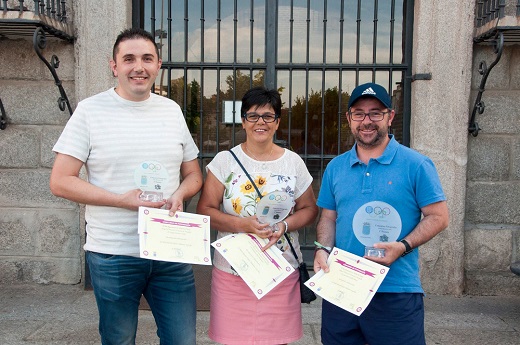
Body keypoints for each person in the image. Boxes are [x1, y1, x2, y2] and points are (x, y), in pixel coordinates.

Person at [49, 28, 202, 345]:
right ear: (114, 66)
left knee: (183, 339)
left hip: (170, 250)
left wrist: (179, 194)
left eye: (147, 58)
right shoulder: (90, 111)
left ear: (158, 64)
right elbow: (60, 181)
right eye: (129, 58)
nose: (139, 67)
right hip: (114, 254)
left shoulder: (171, 111)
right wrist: (121, 200)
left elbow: (194, 175)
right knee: (119, 340)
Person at [314, 82, 449, 345]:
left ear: (390, 116)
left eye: (376, 112)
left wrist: (403, 246)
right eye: (359, 113)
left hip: (394, 290)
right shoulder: (335, 168)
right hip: (343, 286)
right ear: (349, 119)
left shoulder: (416, 164)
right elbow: (328, 218)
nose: (367, 121)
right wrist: (322, 249)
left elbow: (439, 216)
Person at [196, 86, 319, 345]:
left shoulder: (293, 162)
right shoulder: (224, 161)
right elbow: (205, 209)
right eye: (253, 116)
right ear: (243, 121)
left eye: (267, 116)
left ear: (277, 122)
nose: (260, 122)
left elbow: (309, 209)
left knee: (277, 341)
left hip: (279, 268)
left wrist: (285, 225)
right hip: (233, 271)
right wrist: (241, 224)